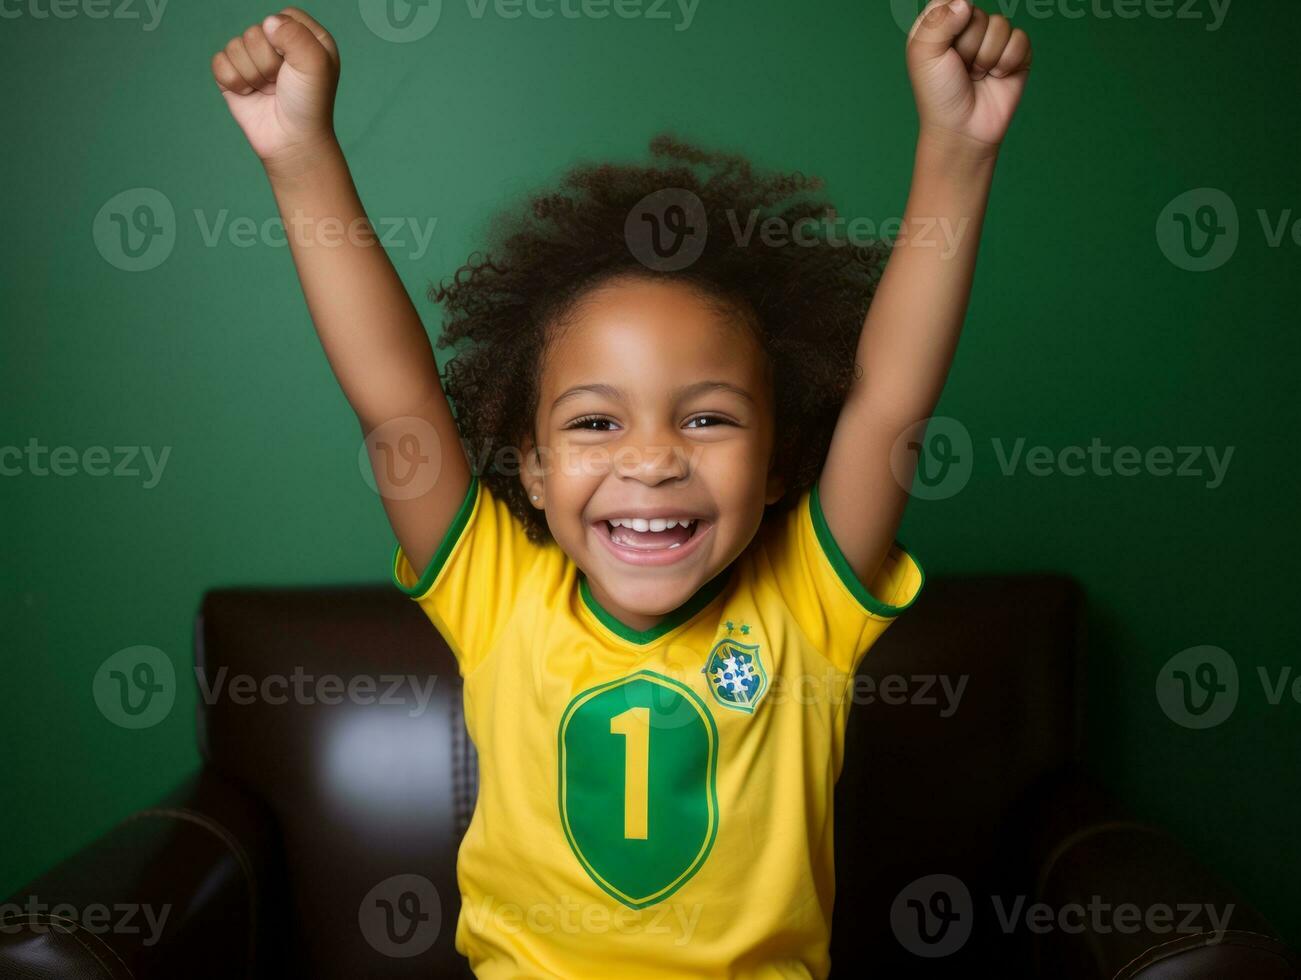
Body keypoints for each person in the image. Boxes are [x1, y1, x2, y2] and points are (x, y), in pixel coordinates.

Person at [210, 2, 1032, 975]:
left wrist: (958, 145)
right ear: (533, 463)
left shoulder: (804, 604)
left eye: (706, 416)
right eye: (596, 421)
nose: (650, 460)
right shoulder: (496, 591)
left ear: (777, 461)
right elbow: (394, 401)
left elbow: (889, 400)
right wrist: (297, 151)